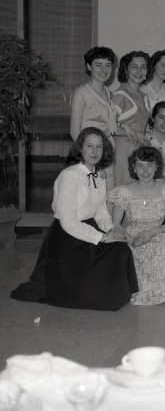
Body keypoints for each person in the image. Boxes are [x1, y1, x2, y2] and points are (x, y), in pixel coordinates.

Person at [10, 127, 137, 311]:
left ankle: (115, 294)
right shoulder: (69, 175)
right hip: (67, 238)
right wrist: (102, 237)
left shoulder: (99, 176)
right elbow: (68, 222)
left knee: (120, 249)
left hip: (90, 229)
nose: (94, 151)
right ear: (80, 149)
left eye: (99, 147)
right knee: (110, 256)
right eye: (89, 146)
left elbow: (101, 211)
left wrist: (111, 230)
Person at [108, 147, 165, 305]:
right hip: (132, 237)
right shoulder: (123, 191)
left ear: (157, 167)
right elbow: (116, 223)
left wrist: (153, 232)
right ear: (134, 168)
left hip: (157, 234)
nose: (145, 171)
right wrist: (131, 240)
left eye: (150, 165)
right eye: (140, 165)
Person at [69, 46, 118, 190]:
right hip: (91, 155)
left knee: (108, 192)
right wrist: (92, 160)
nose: (104, 70)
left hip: (107, 151)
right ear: (89, 66)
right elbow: (74, 132)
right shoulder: (81, 93)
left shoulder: (108, 93)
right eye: (98, 65)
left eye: (108, 65)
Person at [111, 51, 151, 186]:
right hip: (122, 152)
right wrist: (135, 133)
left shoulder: (144, 97)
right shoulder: (120, 95)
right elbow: (108, 126)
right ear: (125, 70)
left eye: (143, 67)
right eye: (134, 66)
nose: (139, 71)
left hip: (138, 151)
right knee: (124, 191)